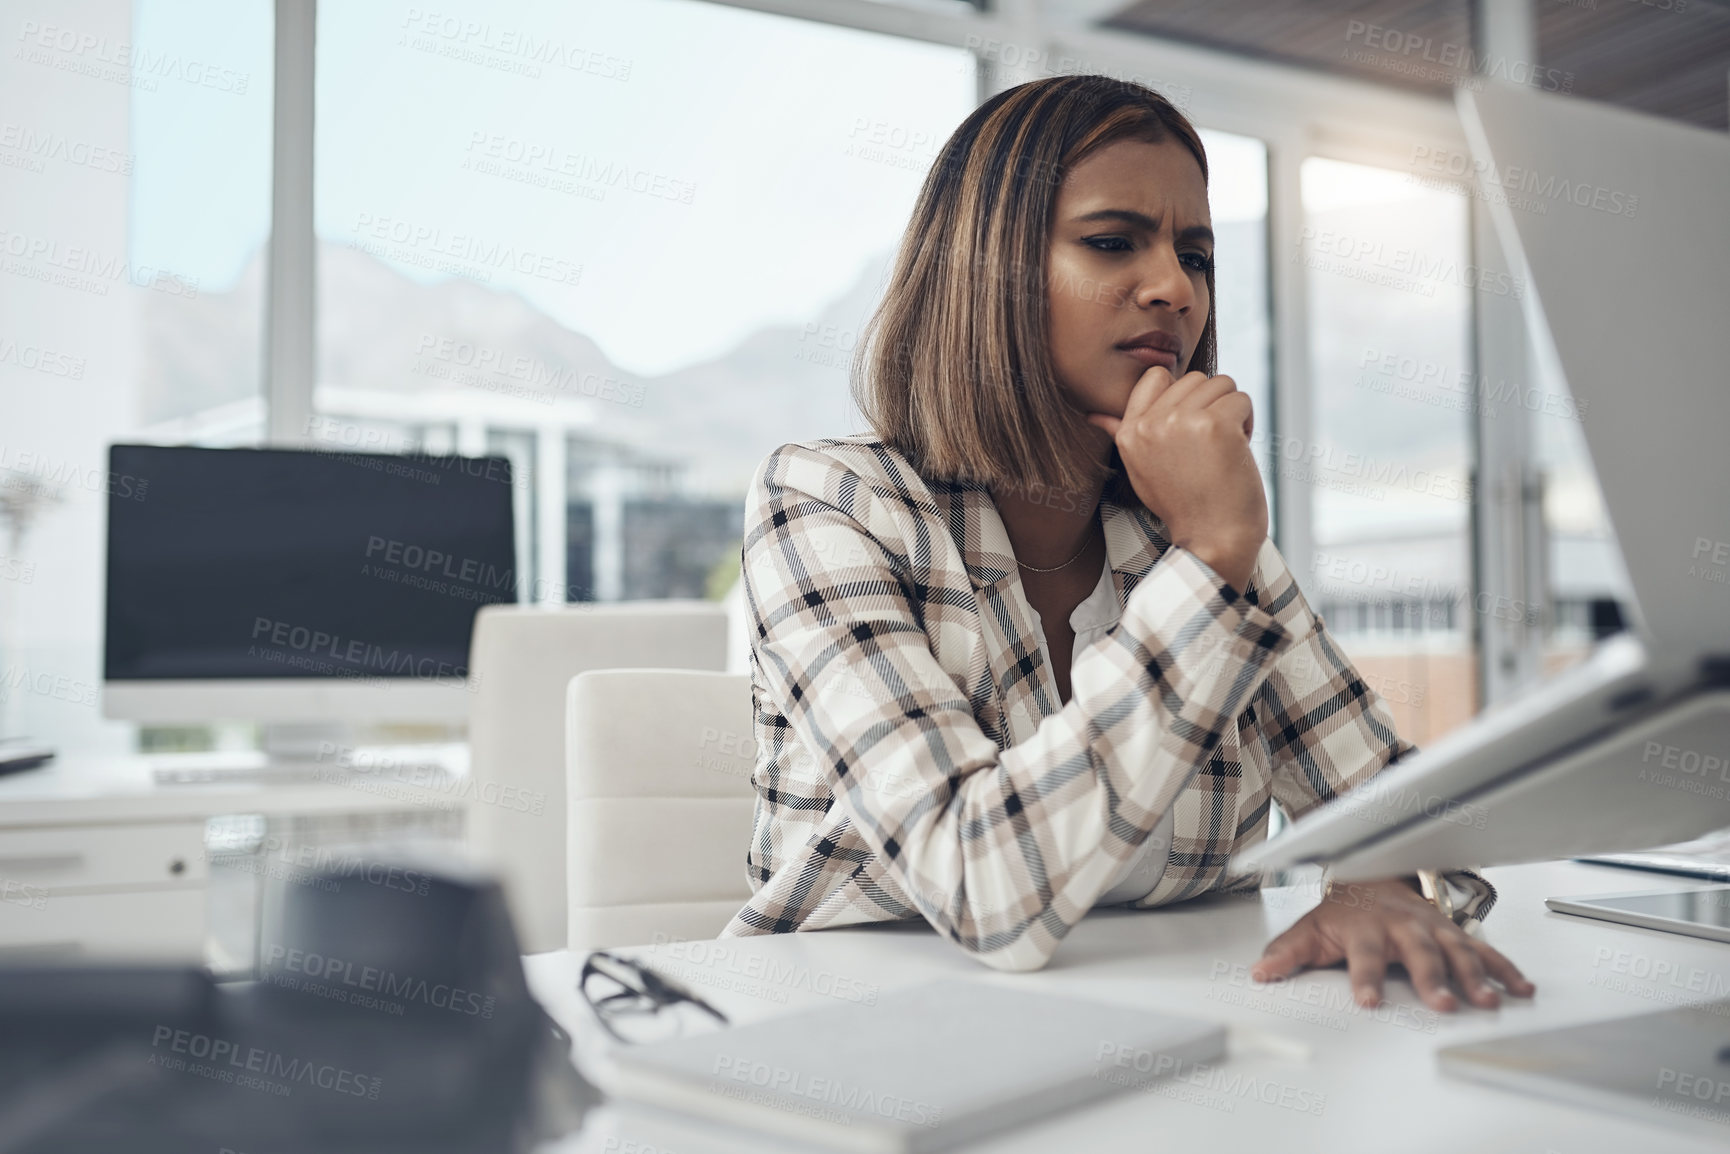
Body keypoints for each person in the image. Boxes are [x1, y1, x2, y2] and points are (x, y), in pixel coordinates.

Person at [721, 75, 1533, 1012]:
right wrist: (1212, 564)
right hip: (860, 1035)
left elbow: (1404, 821)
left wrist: (1373, 882)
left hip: (1188, 1022)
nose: (1174, 290)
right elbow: (984, 888)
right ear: (985, 271)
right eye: (1113, 243)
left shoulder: (1194, 529)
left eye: (1197, 256)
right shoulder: (832, 501)